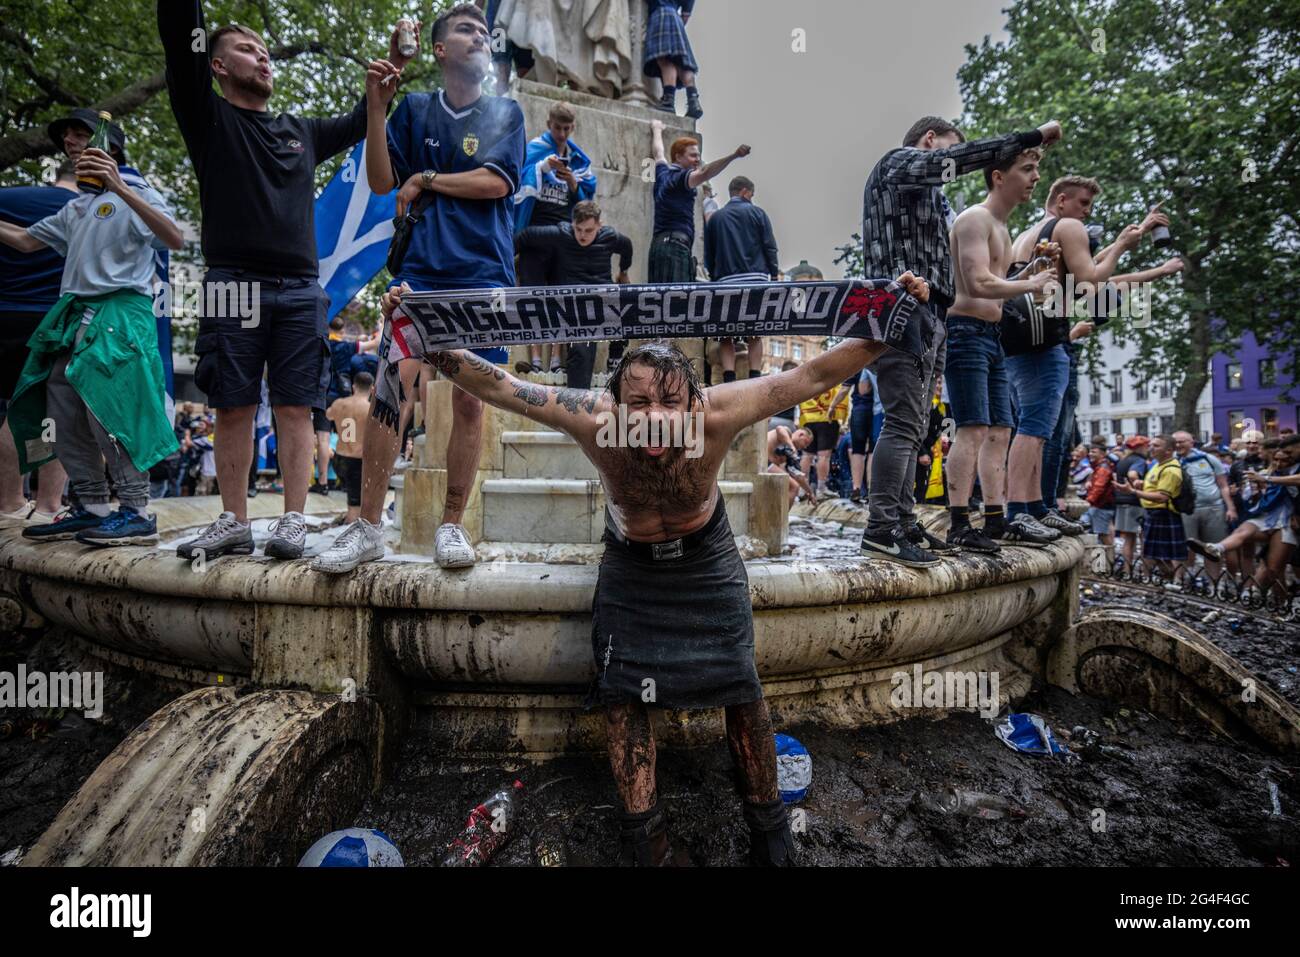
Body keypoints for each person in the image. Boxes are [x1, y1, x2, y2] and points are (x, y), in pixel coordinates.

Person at [370, 270, 930, 865]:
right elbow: (506, 387)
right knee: (623, 697)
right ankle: (646, 840)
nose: (656, 417)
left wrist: (888, 322)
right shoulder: (589, 414)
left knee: (743, 689)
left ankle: (770, 831)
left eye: (669, 402)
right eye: (639, 404)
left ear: (693, 399)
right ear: (615, 403)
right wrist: (432, 341)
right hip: (633, 565)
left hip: (707, 559)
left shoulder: (718, 411)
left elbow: (811, 374)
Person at [159, 2, 412, 562]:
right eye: (248, 50)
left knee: (298, 406)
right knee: (232, 404)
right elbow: (182, 41)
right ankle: (232, 521)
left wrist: (391, 67)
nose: (263, 58)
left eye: (266, 51)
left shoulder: (298, 130)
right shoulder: (208, 117)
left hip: (301, 286)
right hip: (233, 282)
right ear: (218, 67)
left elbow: (360, 118)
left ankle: (293, 521)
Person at [313, 2, 526, 573]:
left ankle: (452, 526)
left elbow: (496, 184)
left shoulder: (505, 112)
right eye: (466, 29)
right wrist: (377, 109)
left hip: (485, 273)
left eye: (484, 29)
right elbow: (384, 181)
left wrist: (427, 179)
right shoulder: (413, 108)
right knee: (391, 388)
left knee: (469, 400)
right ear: (438, 49)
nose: (480, 35)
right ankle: (366, 526)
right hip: (422, 272)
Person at [857, 114, 1062, 569]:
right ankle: (880, 529)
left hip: (930, 313)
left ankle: (905, 522)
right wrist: (1030, 138)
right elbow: (953, 161)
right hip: (900, 304)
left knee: (916, 426)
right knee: (903, 422)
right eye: (948, 146)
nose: (952, 158)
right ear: (930, 139)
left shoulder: (929, 198)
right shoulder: (898, 163)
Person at [1, 131, 183, 546]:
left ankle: (137, 511)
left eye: (83, 141)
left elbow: (174, 238)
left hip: (121, 314)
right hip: (73, 316)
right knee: (64, 415)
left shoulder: (138, 194)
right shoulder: (74, 208)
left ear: (111, 152)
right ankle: (93, 505)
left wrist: (119, 186)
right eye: (70, 144)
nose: (72, 145)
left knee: (112, 410)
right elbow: (26, 241)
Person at [1027, 176, 1182, 515]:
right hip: (1054, 345)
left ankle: (1041, 504)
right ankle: (1043, 506)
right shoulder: (1059, 235)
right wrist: (1073, 334)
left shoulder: (1051, 239)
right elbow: (1097, 278)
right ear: (1063, 200)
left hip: (1054, 345)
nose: (1087, 213)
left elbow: (1108, 276)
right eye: (1083, 205)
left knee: (1054, 434)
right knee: (1052, 435)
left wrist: (1141, 239)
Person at [942, 145, 1057, 553]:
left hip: (991, 337)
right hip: (964, 333)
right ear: (998, 176)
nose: (1035, 177)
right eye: (1027, 169)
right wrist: (1031, 284)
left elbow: (999, 290)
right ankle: (958, 523)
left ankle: (994, 518)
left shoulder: (1004, 229)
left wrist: (1029, 274)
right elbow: (977, 284)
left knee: (1000, 431)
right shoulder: (974, 219)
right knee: (972, 429)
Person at [0, 160, 78, 523]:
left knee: (10, 410)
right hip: (52, 320)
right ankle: (48, 505)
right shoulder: (87, 209)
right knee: (54, 413)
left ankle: (10, 504)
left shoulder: (9, 198)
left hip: (4, 312)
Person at [514, 102, 598, 374]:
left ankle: (556, 360)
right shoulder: (536, 149)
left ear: (572, 128)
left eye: (566, 129)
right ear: (549, 124)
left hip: (564, 236)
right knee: (533, 297)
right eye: (557, 128)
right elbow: (517, 180)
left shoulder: (578, 160)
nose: (561, 134)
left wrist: (572, 182)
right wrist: (541, 168)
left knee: (562, 299)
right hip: (535, 234)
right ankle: (537, 359)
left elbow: (585, 203)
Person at [513, 201, 633, 388]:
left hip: (603, 298)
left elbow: (627, 246)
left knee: (630, 302)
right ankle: (577, 402)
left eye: (589, 230)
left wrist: (623, 272)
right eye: (579, 229)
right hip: (577, 305)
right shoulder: (562, 234)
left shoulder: (610, 237)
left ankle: (614, 360)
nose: (583, 235)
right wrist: (508, 264)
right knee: (580, 352)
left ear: (599, 225)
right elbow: (525, 236)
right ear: (572, 224)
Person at [1189, 444, 1298, 596]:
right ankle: (1216, 548)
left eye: (1283, 460)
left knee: (1274, 569)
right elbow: (1259, 500)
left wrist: (1267, 479)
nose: (1279, 464)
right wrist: (1256, 490)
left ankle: (1281, 603)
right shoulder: (1268, 473)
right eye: (1276, 460)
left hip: (1287, 522)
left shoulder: (1290, 474)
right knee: (1243, 530)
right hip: (1265, 517)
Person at [648, 120, 749, 283]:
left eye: (699, 155)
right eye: (693, 155)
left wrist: (656, 129)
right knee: (677, 304)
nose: (697, 159)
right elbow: (705, 172)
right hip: (675, 249)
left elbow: (659, 153)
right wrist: (734, 155)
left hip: (660, 248)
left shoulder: (663, 174)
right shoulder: (680, 178)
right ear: (678, 157)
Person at [704, 175, 779, 383]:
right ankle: (754, 375)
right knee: (755, 331)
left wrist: (714, 276)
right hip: (755, 279)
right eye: (752, 195)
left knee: (725, 333)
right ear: (746, 192)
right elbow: (769, 246)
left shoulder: (715, 219)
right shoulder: (757, 213)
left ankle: (729, 376)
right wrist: (773, 274)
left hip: (725, 281)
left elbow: (708, 255)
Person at [1115, 434, 1185, 574]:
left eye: (1156, 446)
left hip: (1164, 514)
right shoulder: (1157, 465)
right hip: (1152, 513)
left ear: (1169, 450)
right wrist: (1141, 484)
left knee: (1163, 555)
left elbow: (1161, 497)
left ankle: (1176, 581)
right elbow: (1152, 486)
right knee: (1153, 554)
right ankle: (1156, 579)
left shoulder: (1170, 470)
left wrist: (1133, 491)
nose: (1151, 448)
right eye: (1151, 445)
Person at [1173, 430, 1235, 575]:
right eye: (1175, 442)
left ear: (1191, 442)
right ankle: (1183, 579)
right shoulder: (1172, 461)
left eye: (1182, 441)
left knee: (1212, 548)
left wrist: (1230, 508)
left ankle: (1214, 583)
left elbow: (1223, 485)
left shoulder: (1208, 459)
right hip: (1186, 510)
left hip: (1214, 508)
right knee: (1186, 546)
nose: (1178, 445)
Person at [326, 371, 372, 524]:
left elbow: (329, 415)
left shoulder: (339, 403)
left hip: (339, 459)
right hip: (356, 461)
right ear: (372, 389)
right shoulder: (370, 409)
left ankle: (350, 519)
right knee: (356, 504)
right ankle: (350, 526)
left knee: (353, 499)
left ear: (353, 387)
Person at [828, 367, 877, 503]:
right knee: (873, 450)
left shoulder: (859, 364)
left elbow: (844, 389)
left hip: (859, 410)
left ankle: (856, 488)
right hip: (877, 411)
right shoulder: (879, 362)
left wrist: (832, 406)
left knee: (858, 450)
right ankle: (871, 489)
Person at [645, 1, 702, 118]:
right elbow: (686, 14)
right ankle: (693, 101)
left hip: (660, 14)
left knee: (666, 61)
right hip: (676, 18)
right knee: (682, 63)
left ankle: (668, 102)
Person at [1112, 435, 1149, 567]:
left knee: (1128, 538)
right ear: (1140, 447)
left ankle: (1127, 570)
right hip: (1135, 502)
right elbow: (1132, 474)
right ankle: (1146, 573)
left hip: (1121, 501)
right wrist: (1139, 486)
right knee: (1143, 538)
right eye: (1146, 446)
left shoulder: (1123, 460)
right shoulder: (1139, 460)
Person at [766, 424, 814, 504]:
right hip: (761, 459)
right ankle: (781, 516)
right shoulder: (788, 433)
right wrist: (791, 445)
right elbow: (779, 428)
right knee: (794, 486)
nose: (805, 447)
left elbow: (798, 476)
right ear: (801, 435)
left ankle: (776, 514)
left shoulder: (791, 455)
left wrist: (810, 492)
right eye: (806, 443)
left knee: (789, 485)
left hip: (766, 466)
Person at [1082, 441, 1116, 549]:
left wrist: (1088, 502)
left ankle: (1110, 561)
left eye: (1094, 452)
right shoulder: (1099, 467)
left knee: (1102, 534)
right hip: (1099, 505)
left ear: (1102, 454)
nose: (1090, 454)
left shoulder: (1103, 468)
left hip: (1100, 506)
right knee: (1101, 533)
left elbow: (1099, 488)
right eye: (1090, 452)